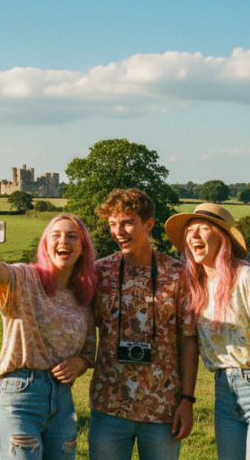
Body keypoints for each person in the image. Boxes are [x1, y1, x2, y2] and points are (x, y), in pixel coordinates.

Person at [165, 203, 250, 460]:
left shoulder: (247, 278)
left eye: (203, 229)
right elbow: (189, 343)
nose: (194, 235)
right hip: (224, 393)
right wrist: (186, 398)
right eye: (190, 230)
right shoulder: (196, 286)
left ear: (222, 238)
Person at [0, 214, 98, 460]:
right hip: (19, 395)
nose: (63, 241)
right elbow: (0, 272)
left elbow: (88, 354)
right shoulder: (26, 278)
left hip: (62, 401)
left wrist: (79, 364)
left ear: (83, 248)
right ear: (46, 245)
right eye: (55, 235)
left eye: (72, 236)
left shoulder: (83, 296)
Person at [84, 189, 198, 460]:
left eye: (127, 222)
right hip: (108, 406)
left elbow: (188, 339)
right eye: (113, 223)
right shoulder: (100, 272)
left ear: (148, 224)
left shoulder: (177, 273)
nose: (118, 231)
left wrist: (188, 399)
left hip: (163, 408)